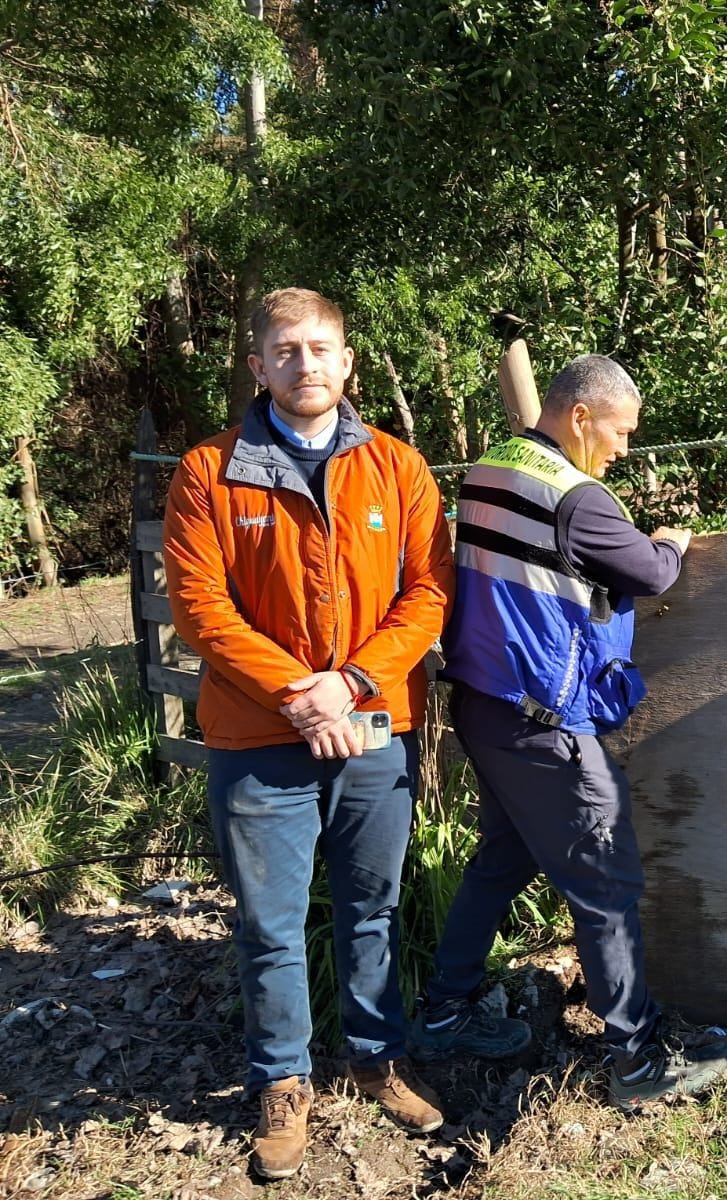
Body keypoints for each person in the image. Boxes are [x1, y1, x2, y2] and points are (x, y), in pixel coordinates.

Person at [164, 288, 454, 1178]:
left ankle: (375, 1059)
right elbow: (199, 605)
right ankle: (282, 1082)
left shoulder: (399, 469)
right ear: (258, 366)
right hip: (259, 735)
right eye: (286, 351)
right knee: (269, 923)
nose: (306, 365)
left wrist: (353, 683)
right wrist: (299, 692)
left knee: (372, 908)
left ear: (347, 361)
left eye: (321, 348)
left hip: (373, 725)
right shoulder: (209, 471)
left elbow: (430, 591)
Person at [409, 353, 727, 1110]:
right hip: (543, 724)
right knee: (606, 882)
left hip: (484, 705)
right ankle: (636, 1055)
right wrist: (672, 544)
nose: (623, 450)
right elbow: (649, 574)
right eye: (620, 432)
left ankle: (447, 1010)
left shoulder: (493, 465)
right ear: (580, 416)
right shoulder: (578, 499)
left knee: (500, 862)